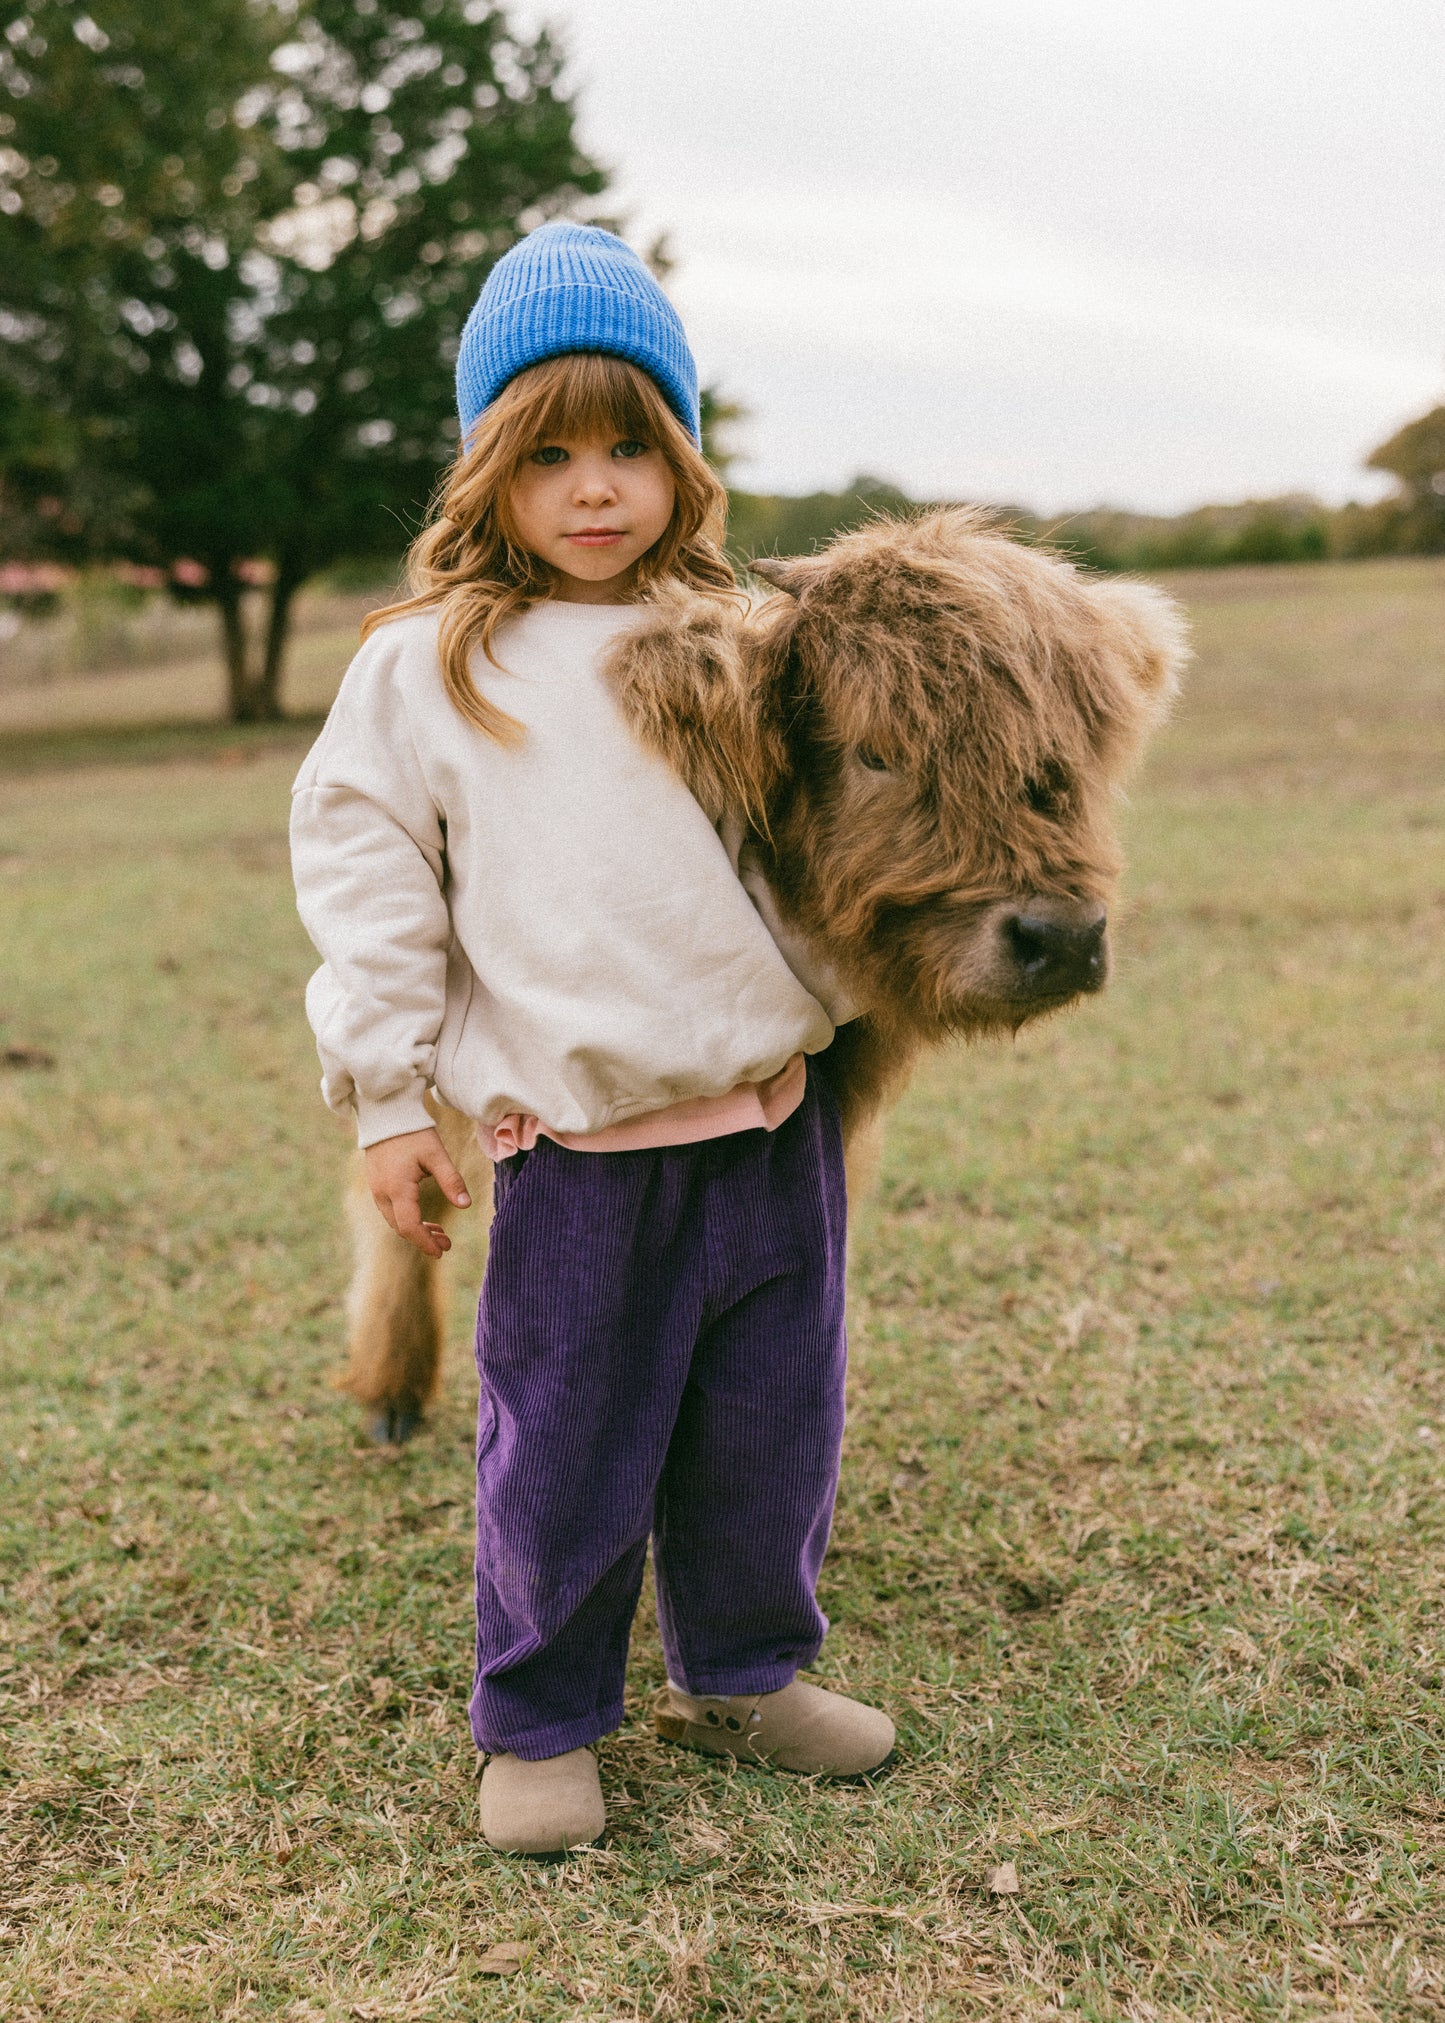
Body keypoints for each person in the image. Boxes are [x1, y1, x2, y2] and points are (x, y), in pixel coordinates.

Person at [290, 222, 894, 1856]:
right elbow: (369, 887)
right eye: (548, 450)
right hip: (577, 1163)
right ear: (489, 467)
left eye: (629, 440)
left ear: (681, 454)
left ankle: (751, 1668)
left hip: (772, 1134)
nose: (594, 485)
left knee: (773, 1426)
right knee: (560, 1450)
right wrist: (386, 1102)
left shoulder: (743, 636)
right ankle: (541, 1718)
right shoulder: (430, 666)